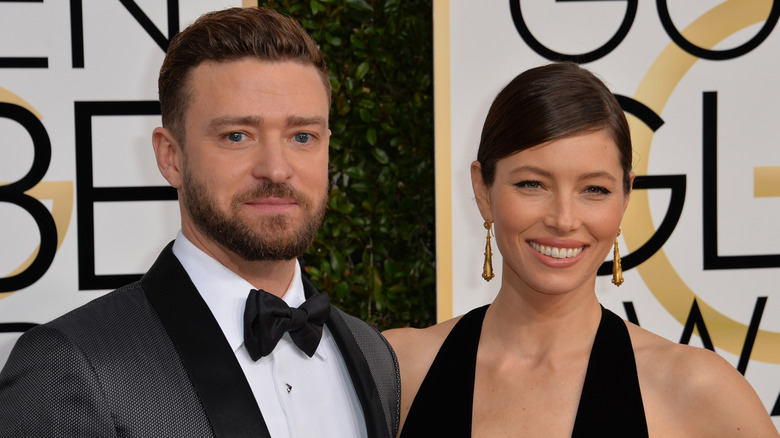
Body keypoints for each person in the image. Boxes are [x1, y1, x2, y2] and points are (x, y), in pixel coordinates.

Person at [0, 7, 399, 438]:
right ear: (170, 157)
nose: (276, 169)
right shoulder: (70, 367)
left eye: (302, 136)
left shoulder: (373, 355)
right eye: (236, 136)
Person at [383, 62, 778, 437]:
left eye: (595, 189)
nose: (564, 219)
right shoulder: (397, 371)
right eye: (532, 184)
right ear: (483, 190)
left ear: (625, 198)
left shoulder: (696, 390)